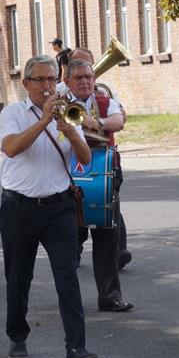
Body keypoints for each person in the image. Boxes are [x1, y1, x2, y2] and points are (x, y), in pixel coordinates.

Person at [0, 54, 98, 358]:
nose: (46, 86)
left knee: (67, 276)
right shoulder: (13, 112)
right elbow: (11, 148)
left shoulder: (68, 113)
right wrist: (42, 121)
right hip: (19, 207)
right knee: (19, 277)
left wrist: (68, 130)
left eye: (51, 79)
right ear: (25, 83)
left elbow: (85, 158)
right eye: (39, 80)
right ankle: (17, 335)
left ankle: (76, 347)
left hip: (58, 207)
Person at [63, 59, 133, 313]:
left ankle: (110, 296)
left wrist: (98, 123)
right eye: (78, 78)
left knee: (107, 237)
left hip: (104, 173)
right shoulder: (60, 102)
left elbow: (118, 121)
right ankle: (68, 297)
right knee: (69, 239)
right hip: (70, 176)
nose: (84, 82)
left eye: (88, 77)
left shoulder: (104, 101)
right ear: (68, 81)